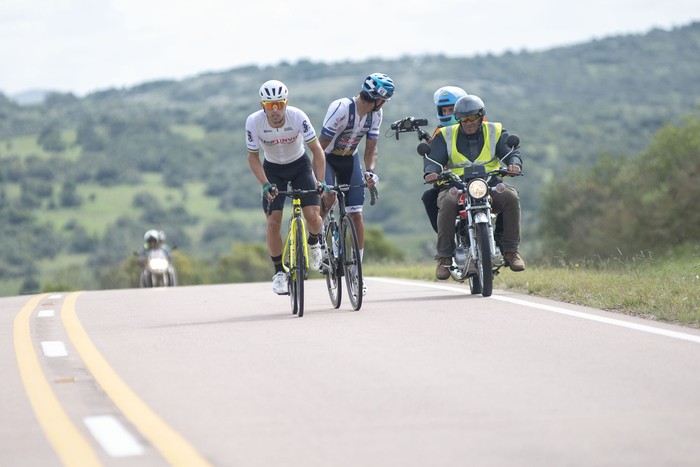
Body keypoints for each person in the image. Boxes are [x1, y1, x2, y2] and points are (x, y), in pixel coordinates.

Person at [424, 94, 525, 279]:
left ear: (481, 115)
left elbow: (511, 152)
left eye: (472, 117)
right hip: (456, 184)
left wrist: (514, 163)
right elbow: (433, 158)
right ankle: (444, 258)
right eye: (463, 118)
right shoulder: (445, 134)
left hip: (490, 183)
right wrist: (431, 171)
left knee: (511, 197)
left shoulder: (495, 130)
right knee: (446, 203)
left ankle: (511, 252)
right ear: (458, 118)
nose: (468, 122)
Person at [246, 79, 327, 295]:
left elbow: (317, 150)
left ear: (286, 103)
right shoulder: (254, 122)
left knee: (313, 217)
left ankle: (313, 242)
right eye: (270, 105)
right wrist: (264, 184)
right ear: (263, 105)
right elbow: (253, 157)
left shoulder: (298, 116)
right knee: (273, 221)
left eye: (279, 104)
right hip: (273, 170)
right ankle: (279, 272)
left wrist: (320, 181)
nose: (275, 110)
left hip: (300, 166)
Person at [318, 72, 395, 295]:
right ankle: (319, 238)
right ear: (376, 98)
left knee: (356, 214)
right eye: (384, 100)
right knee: (330, 196)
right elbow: (320, 146)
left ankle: (357, 272)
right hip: (327, 157)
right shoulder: (342, 108)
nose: (384, 105)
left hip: (349, 159)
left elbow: (371, 148)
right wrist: (319, 179)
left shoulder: (375, 116)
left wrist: (370, 172)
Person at [422, 86, 468, 233]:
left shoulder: (476, 126)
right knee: (429, 197)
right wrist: (431, 172)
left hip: (480, 179)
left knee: (507, 196)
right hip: (451, 182)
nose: (447, 113)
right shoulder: (440, 133)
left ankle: (502, 240)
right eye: (444, 110)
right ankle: (447, 244)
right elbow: (433, 159)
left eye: (451, 109)